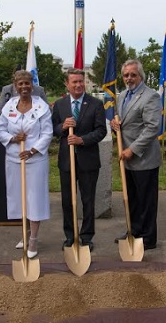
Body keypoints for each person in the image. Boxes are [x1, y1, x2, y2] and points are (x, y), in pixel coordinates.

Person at [0, 70, 52, 259]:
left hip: (35, 161)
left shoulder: (41, 106)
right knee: (20, 199)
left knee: (34, 200)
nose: (24, 87)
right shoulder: (9, 106)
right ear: (15, 86)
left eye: (27, 83)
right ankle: (25, 234)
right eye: (20, 84)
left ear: (32, 85)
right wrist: (12, 138)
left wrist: (33, 150)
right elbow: (0, 130)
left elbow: (47, 133)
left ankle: (34, 239)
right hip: (13, 160)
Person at [52, 68, 107, 251]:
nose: (78, 85)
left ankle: (86, 236)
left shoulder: (95, 104)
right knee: (67, 200)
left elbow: (101, 131)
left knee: (88, 200)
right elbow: (53, 129)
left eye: (81, 81)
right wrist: (62, 126)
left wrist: (82, 140)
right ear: (67, 84)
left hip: (88, 161)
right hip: (67, 161)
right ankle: (70, 235)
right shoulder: (60, 105)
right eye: (74, 82)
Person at [110, 60, 161, 250]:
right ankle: (134, 230)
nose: (129, 78)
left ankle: (148, 238)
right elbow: (125, 123)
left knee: (146, 200)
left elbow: (152, 128)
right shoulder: (122, 95)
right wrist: (115, 126)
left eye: (133, 74)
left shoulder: (151, 96)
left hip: (144, 158)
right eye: (126, 75)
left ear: (140, 76)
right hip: (127, 157)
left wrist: (133, 149)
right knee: (131, 197)